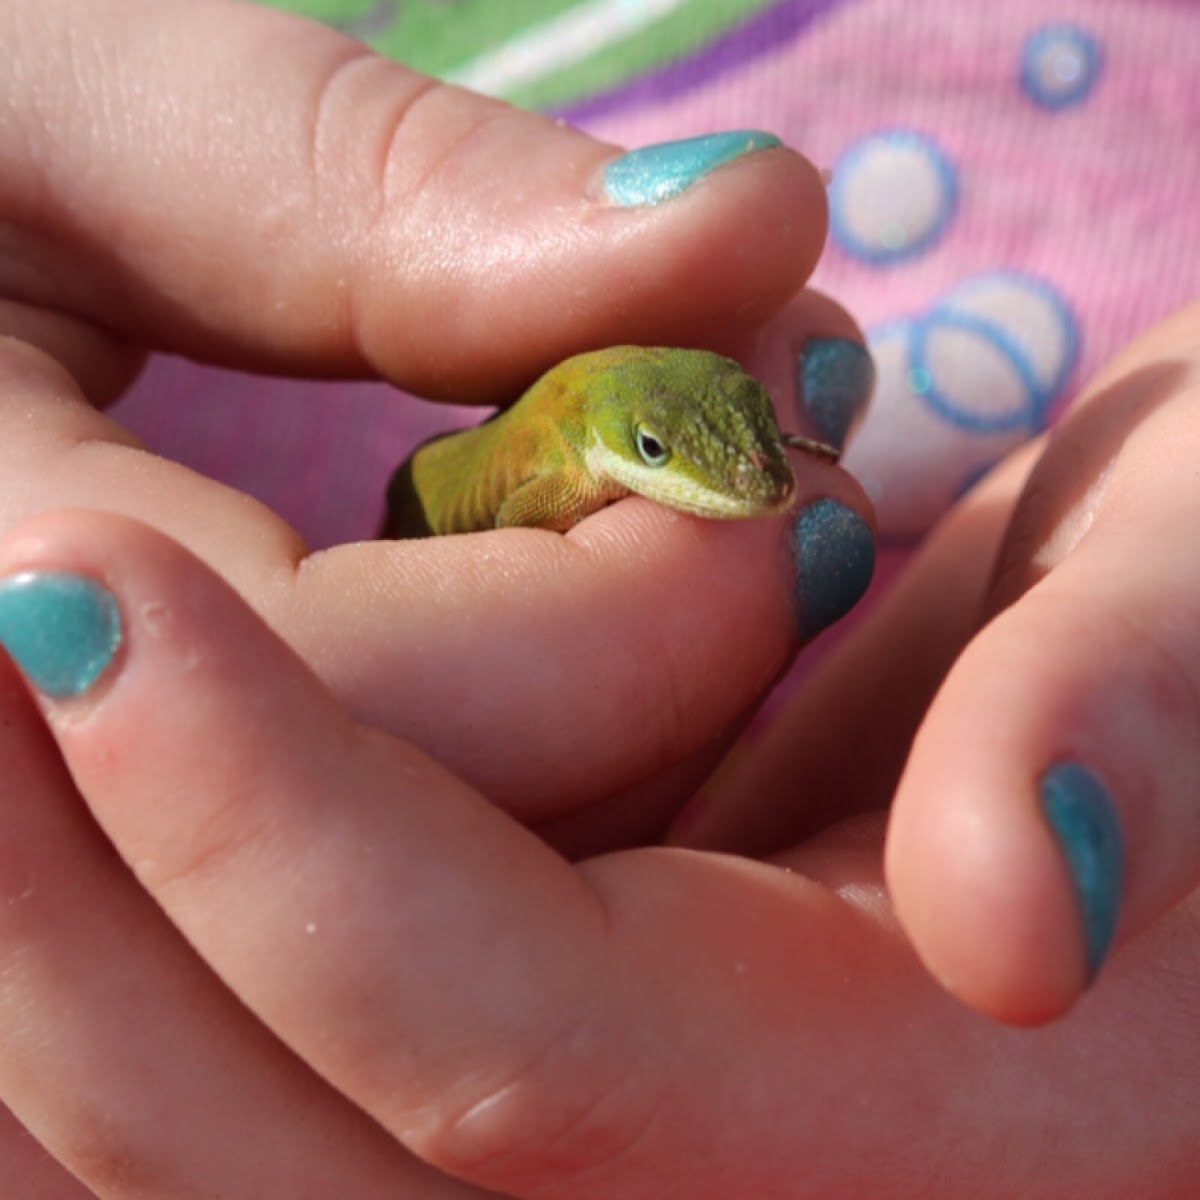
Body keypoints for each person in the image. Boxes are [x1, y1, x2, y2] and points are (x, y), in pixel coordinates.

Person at [0, 1, 1196, 1196]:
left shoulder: (668, 420)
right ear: (598, 448)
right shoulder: (543, 466)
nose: (758, 487)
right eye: (666, 460)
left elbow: (718, 442)